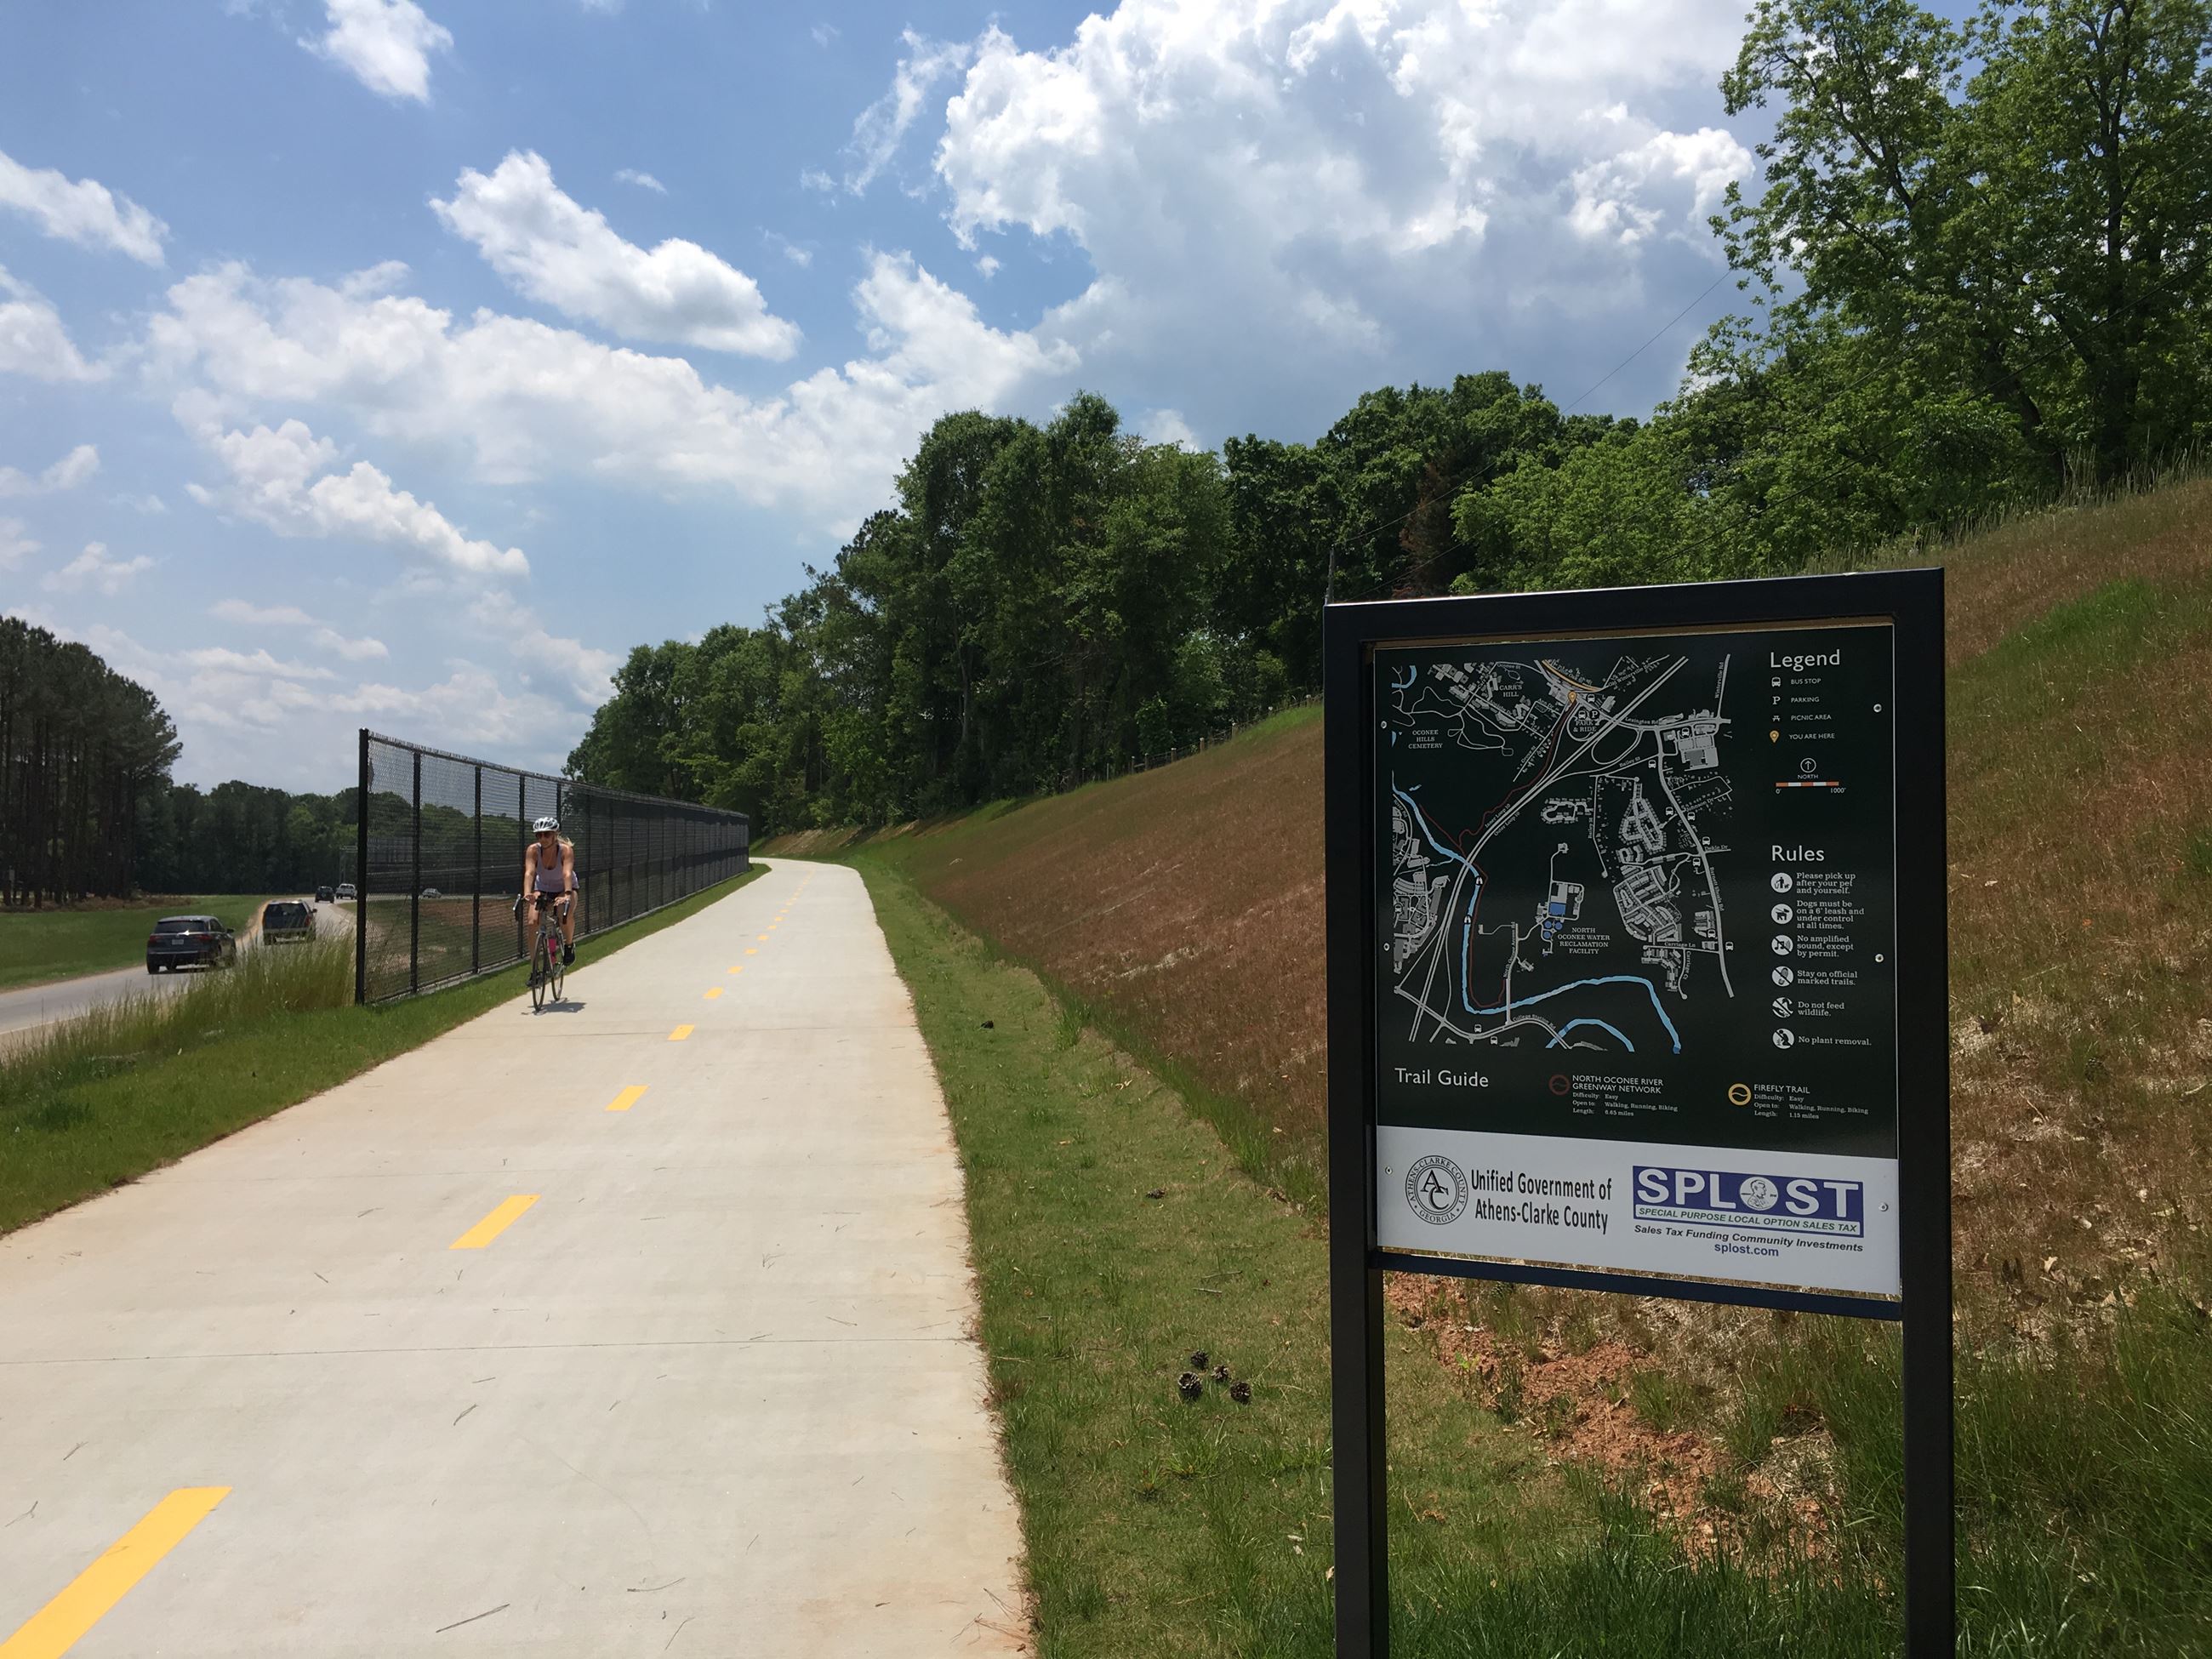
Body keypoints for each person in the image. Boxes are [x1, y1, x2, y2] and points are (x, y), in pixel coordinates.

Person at [523, 816, 577, 966]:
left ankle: (569, 945)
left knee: (563, 913)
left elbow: (567, 873)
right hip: (543, 888)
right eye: (539, 835)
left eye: (547, 834)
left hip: (565, 888)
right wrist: (527, 892)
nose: (543, 838)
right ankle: (534, 967)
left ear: (555, 834)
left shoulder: (565, 850)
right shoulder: (533, 850)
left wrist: (567, 894)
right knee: (532, 921)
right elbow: (529, 873)